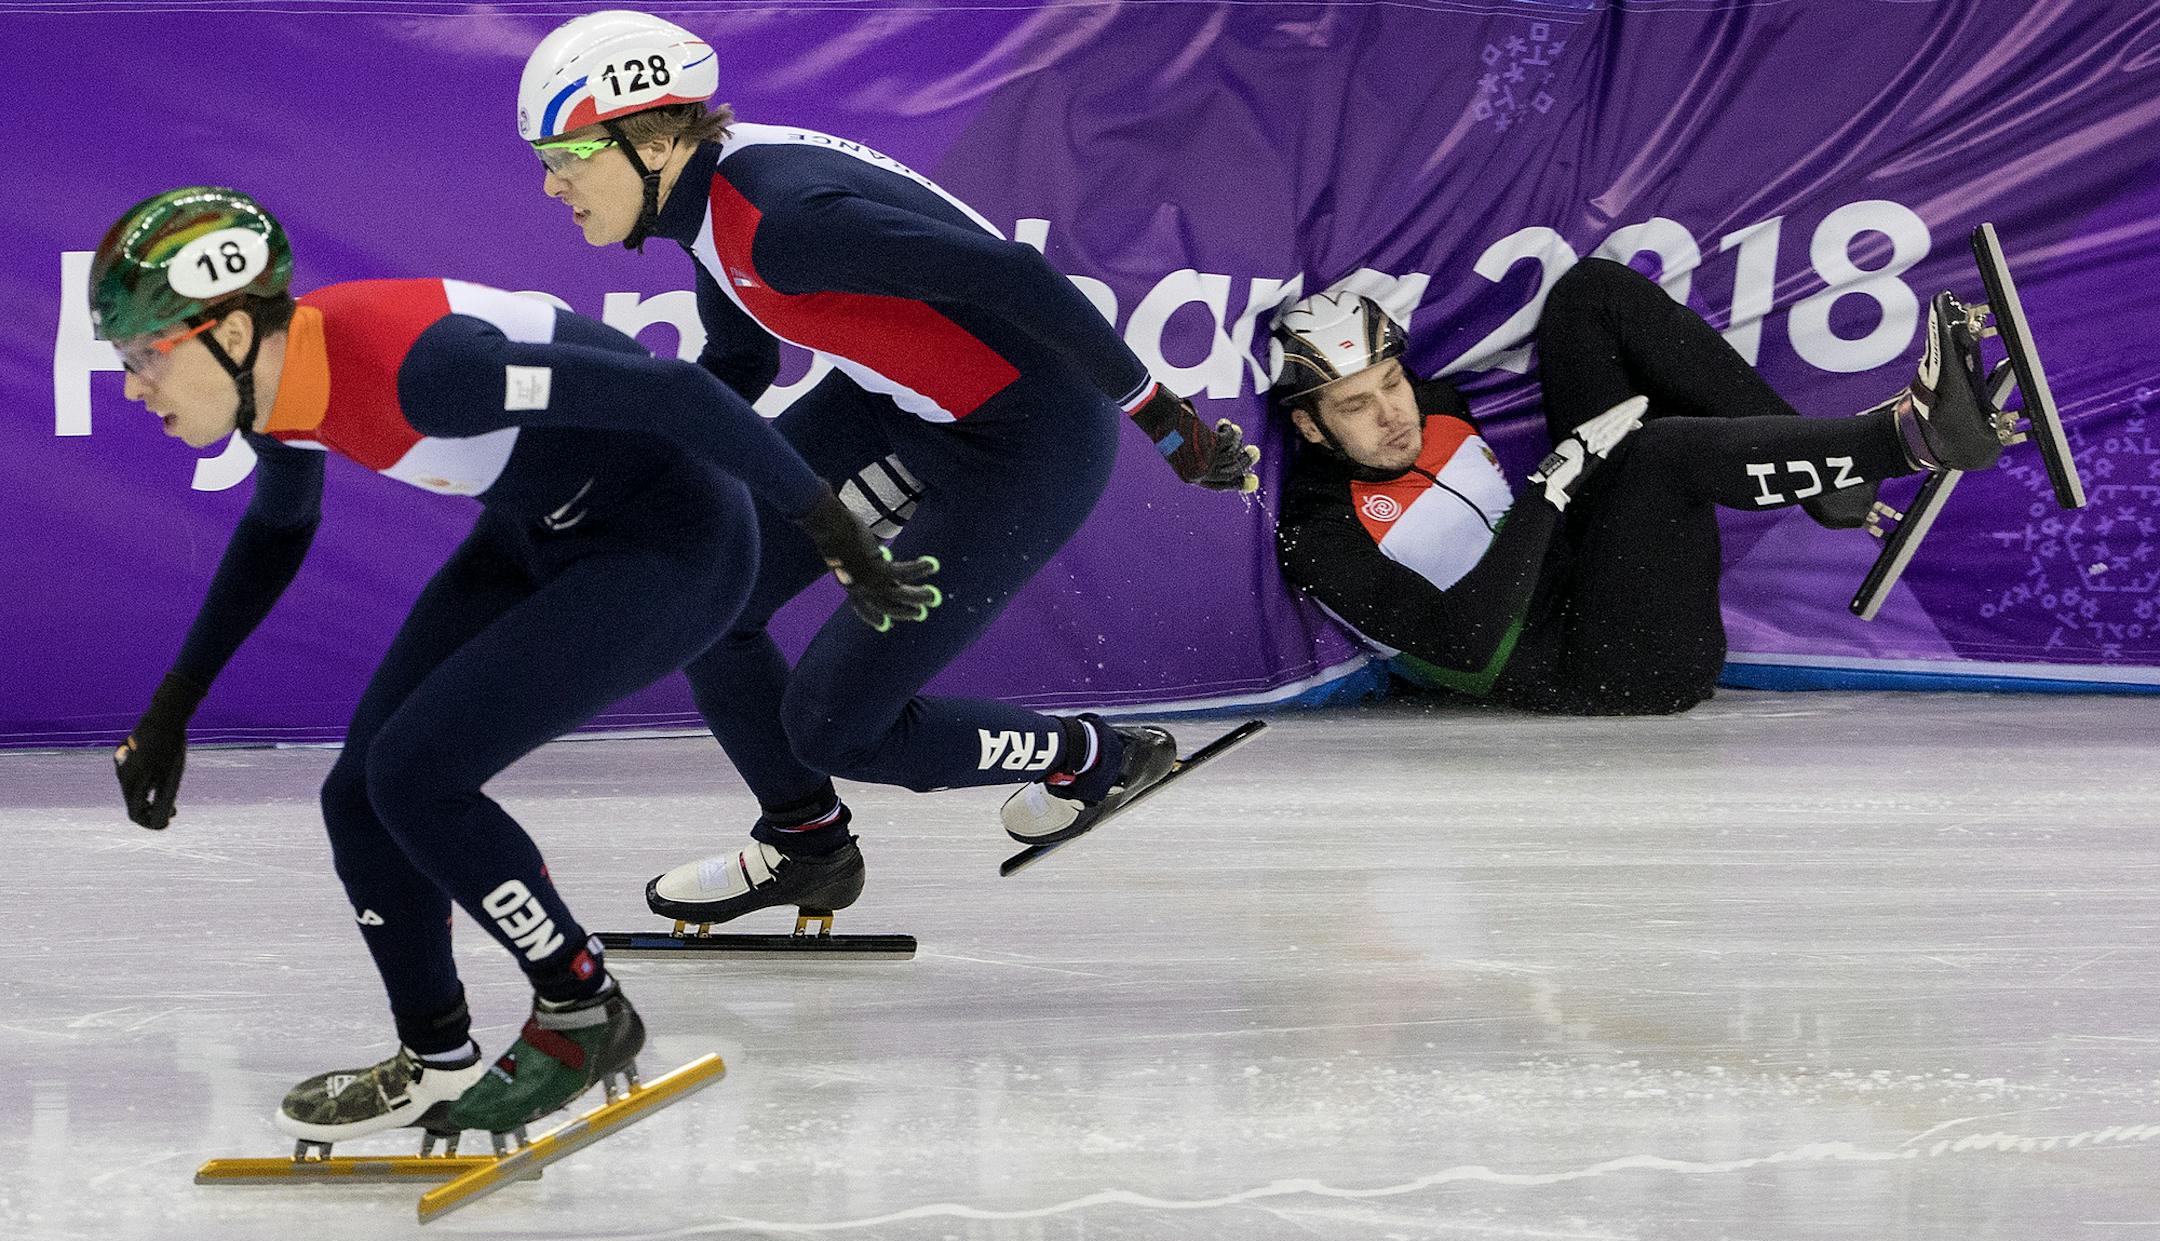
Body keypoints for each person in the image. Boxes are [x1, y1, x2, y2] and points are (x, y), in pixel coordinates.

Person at [94, 187, 934, 1143]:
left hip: (675, 543)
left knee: (417, 774)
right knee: (358, 794)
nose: (133, 384)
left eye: (144, 355)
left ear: (233, 332)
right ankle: (435, 1057)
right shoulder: (275, 389)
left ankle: (583, 1011)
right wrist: (171, 710)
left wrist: (835, 532)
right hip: (544, 527)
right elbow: (282, 524)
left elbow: (679, 393)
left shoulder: (426, 370)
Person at [511, 11, 1261, 927]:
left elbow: (1016, 277)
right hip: (901, 405)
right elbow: (741, 359)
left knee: (837, 724)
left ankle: (1093, 758)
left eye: (567, 155)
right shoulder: (705, 204)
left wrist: (1163, 417)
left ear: (656, 135)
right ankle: (805, 845)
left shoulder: (784, 221)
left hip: (1030, 443)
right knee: (702, 587)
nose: (552, 184)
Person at [1271, 257, 2003, 716]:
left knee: (1591, 294)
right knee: (1659, 454)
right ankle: (1916, 438)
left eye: (1393, 382)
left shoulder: (1436, 408)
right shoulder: (1320, 530)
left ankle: (1837, 486)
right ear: (1309, 428)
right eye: (1356, 406)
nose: (1393, 414)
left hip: (1596, 568)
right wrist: (1549, 491)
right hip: (1606, 671)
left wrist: (1561, 492)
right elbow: (1463, 644)